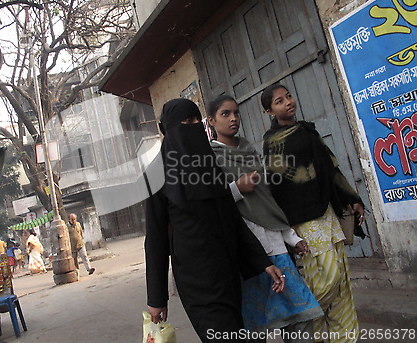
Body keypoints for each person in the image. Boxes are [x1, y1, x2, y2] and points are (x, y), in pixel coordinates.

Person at [145, 98, 285, 343]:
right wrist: (156, 298)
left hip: (228, 271)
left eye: (197, 120)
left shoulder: (209, 165)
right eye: (187, 121)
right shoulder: (156, 174)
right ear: (169, 129)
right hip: (195, 279)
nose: (194, 125)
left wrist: (262, 261)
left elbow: (232, 218)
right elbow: (155, 238)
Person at [208, 95, 323, 343]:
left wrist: (290, 236)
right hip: (245, 252)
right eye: (225, 114)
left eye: (236, 113)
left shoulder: (249, 149)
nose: (233, 119)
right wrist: (236, 188)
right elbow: (210, 204)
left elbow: (266, 199)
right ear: (211, 121)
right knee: (253, 323)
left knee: (299, 316)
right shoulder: (210, 158)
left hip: (274, 245)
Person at [261, 85, 365, 343]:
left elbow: (331, 168)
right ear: (269, 111)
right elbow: (278, 185)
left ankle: (344, 338)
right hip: (303, 221)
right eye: (279, 101)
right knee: (325, 280)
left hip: (326, 213)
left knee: (340, 282)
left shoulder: (308, 131)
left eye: (288, 96)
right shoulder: (272, 142)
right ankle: (304, 324)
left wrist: (352, 199)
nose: (288, 102)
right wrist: (288, 228)